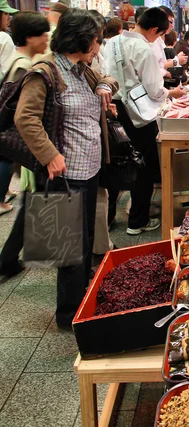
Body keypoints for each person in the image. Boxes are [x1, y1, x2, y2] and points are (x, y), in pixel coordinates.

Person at [11, 9, 118, 328]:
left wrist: (104, 89)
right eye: (96, 40)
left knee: (84, 238)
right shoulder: (46, 71)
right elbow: (25, 118)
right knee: (69, 247)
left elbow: (107, 80)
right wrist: (49, 155)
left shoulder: (82, 68)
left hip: (88, 168)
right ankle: (69, 314)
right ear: (81, 39)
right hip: (65, 172)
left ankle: (82, 300)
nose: (99, 46)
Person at [103, 7, 184, 235]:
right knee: (143, 165)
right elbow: (154, 89)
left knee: (118, 161)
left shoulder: (112, 43)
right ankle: (137, 221)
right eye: (158, 34)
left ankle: (108, 220)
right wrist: (170, 94)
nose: (157, 39)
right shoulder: (143, 48)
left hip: (112, 108)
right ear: (154, 29)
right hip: (136, 113)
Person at [0, 11, 50, 277]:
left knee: (32, 201)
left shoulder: (20, 60)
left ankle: (10, 257)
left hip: (25, 149)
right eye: (42, 34)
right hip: (28, 148)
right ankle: (8, 258)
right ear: (30, 37)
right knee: (33, 200)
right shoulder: (24, 67)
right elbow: (24, 117)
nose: (46, 39)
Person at [0, 0, 17, 216]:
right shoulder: (3, 38)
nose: (8, 18)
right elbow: (7, 76)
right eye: (5, 14)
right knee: (4, 153)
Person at [152, 6, 186, 79]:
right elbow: (155, 68)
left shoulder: (160, 40)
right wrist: (176, 60)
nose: (172, 26)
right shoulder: (153, 40)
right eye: (170, 22)